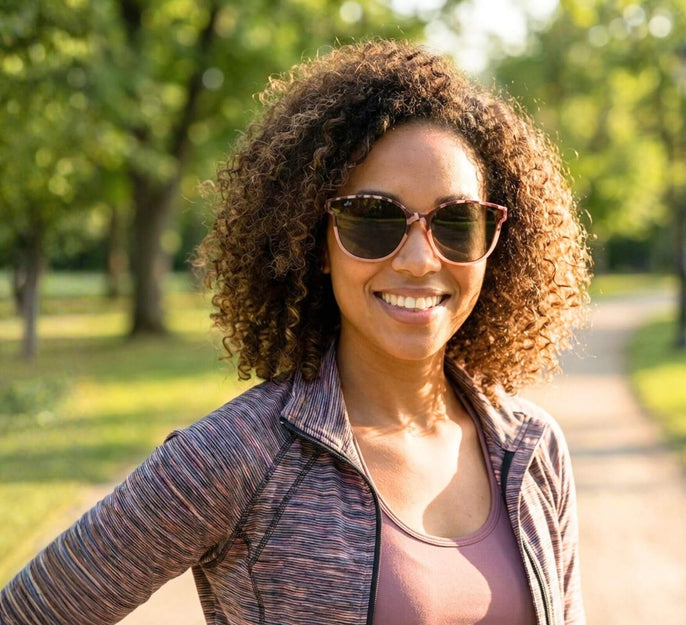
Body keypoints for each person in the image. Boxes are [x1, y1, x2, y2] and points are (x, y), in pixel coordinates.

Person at [0, 40, 590, 624]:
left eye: (456, 222)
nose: (417, 259)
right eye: (372, 218)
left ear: (495, 242)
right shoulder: (242, 455)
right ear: (318, 242)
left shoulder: (533, 449)